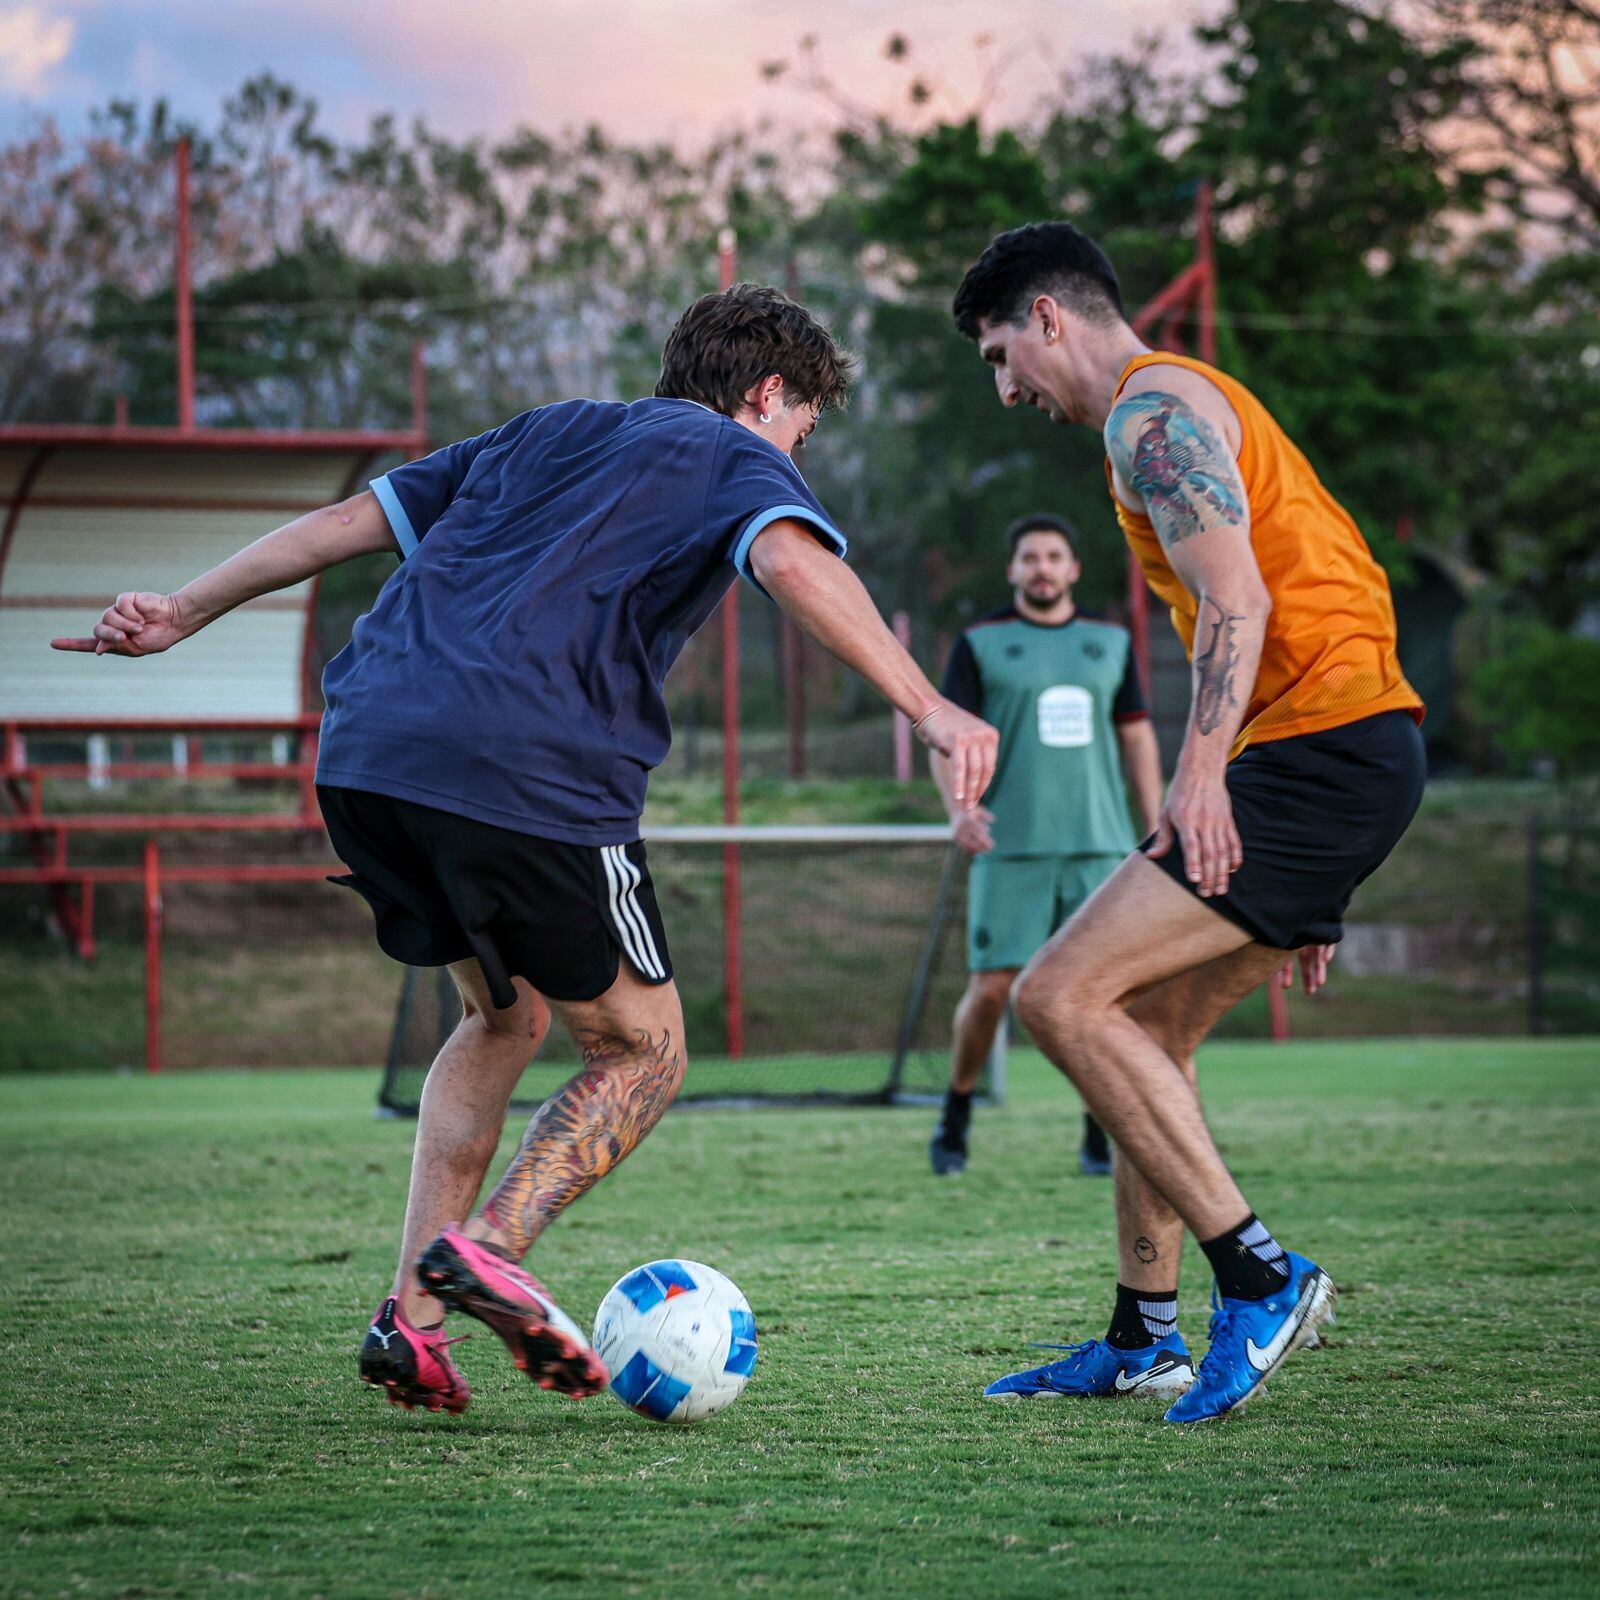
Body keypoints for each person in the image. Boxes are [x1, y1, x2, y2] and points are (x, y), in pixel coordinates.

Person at [53, 284, 998, 1416]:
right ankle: (489, 1247)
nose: (801, 447)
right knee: (643, 1052)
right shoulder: (731, 451)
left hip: (366, 747)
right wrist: (928, 706)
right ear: (765, 392)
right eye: (805, 422)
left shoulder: (542, 430)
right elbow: (795, 566)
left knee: (501, 1017)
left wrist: (184, 610)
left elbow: (349, 523)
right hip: (527, 766)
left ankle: (411, 1320)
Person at [951, 223, 1424, 1422]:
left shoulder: (1146, 414)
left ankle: (1260, 1278)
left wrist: (1204, 774)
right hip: (1336, 753)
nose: (1006, 392)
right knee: (1148, 1026)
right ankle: (1142, 1333)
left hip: (1312, 754)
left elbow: (1238, 596)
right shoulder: (1179, 406)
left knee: (1060, 996)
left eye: (1003, 356)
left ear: (1049, 318)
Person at [928, 512, 1161, 1178]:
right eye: (1029, 557)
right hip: (1012, 847)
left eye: (1054, 556)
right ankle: (956, 1114)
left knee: (1101, 995)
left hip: (1099, 848)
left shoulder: (1109, 642)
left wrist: (1154, 823)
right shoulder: (981, 643)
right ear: (1013, 571)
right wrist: (960, 811)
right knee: (994, 990)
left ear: (1073, 570)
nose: (1042, 568)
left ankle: (1098, 1129)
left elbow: (1137, 737)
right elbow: (945, 737)